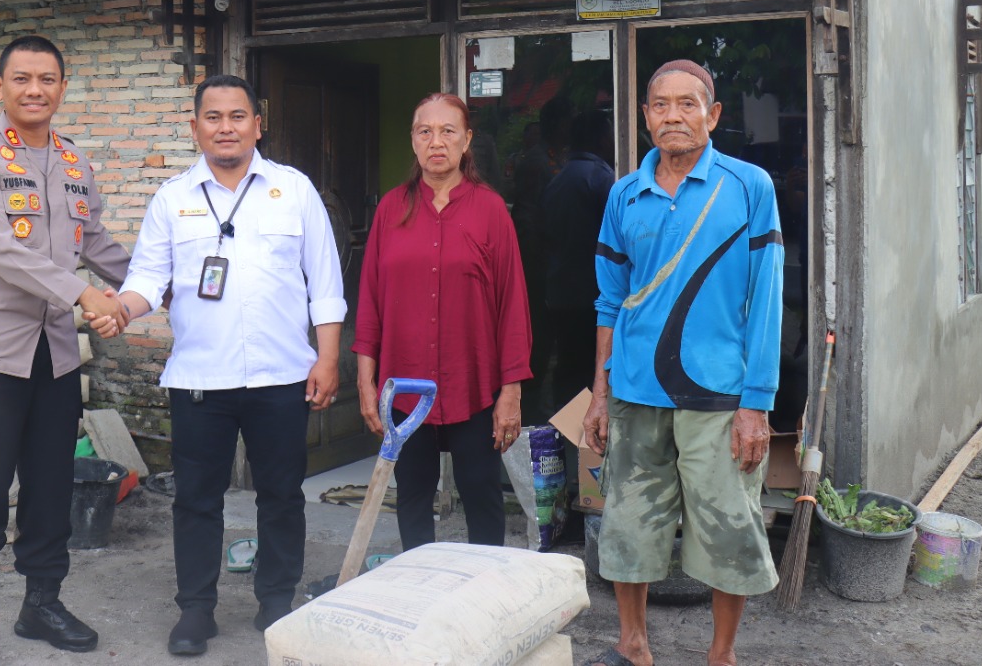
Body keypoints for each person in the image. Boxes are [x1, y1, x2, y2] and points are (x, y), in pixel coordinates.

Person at [97, 74, 346, 656]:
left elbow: (326, 281)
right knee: (197, 500)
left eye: (238, 116)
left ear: (258, 125)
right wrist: (120, 312)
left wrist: (328, 357)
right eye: (213, 117)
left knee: (282, 494)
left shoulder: (294, 190)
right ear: (195, 128)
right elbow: (146, 280)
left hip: (281, 376)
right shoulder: (172, 198)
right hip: (199, 379)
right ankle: (196, 611)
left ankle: (276, 601)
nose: (226, 127)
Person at [582, 60, 784, 666]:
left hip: (719, 395)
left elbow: (767, 301)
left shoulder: (748, 187)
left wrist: (758, 403)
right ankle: (633, 644)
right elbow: (609, 299)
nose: (674, 115)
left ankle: (720, 656)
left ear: (713, 115)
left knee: (728, 528)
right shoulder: (625, 193)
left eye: (688, 104)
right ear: (645, 117)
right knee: (629, 522)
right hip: (636, 390)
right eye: (661, 105)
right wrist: (599, 391)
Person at [0, 34, 131, 666]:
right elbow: (0, 249)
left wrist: (148, 286)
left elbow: (95, 239)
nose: (35, 90)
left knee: (51, 489)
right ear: (0, 88)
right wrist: (85, 295)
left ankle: (40, 604)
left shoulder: (74, 162)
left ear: (62, 88)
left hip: (54, 355)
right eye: (22, 79)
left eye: (47, 79)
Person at [353, 92, 532, 551]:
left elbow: (513, 304)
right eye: (425, 131)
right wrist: (366, 382)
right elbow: (370, 300)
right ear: (413, 141)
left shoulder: (490, 210)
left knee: (482, 497)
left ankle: (484, 600)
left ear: (466, 139)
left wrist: (510, 391)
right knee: (412, 497)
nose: (437, 142)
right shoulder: (391, 210)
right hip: (406, 386)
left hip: (472, 383)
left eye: (448, 131)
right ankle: (420, 595)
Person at [534, 109, 616, 418]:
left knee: (568, 371)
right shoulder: (601, 179)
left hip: (560, 293)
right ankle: (585, 448)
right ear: (599, 138)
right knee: (593, 370)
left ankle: (566, 440)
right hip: (592, 296)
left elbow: (542, 237)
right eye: (609, 134)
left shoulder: (558, 181)